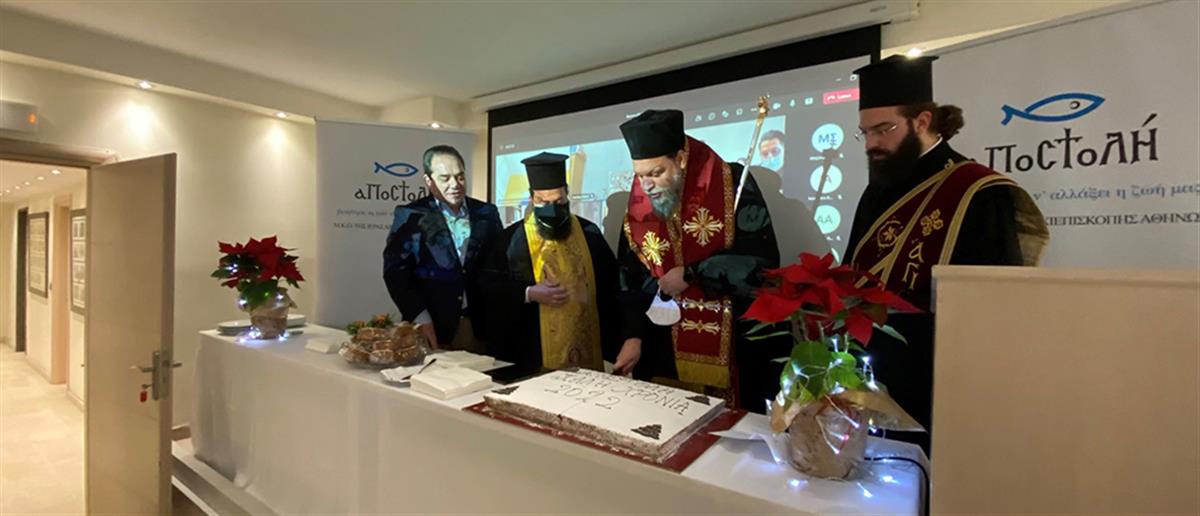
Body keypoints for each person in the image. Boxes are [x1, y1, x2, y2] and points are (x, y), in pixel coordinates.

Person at [845, 55, 1049, 451]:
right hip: (867, 374)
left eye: (883, 130)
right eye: (864, 133)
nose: (871, 144)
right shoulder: (878, 188)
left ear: (922, 121)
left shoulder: (978, 192)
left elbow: (994, 309)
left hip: (937, 381)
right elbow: (853, 269)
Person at [612, 109, 789, 413]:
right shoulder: (640, 203)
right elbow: (629, 276)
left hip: (730, 346)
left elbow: (761, 264)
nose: (647, 184)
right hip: (660, 347)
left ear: (681, 159)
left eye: (656, 172)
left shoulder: (731, 183)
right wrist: (633, 336)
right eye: (640, 175)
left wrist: (691, 274)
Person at [481, 152, 621, 371]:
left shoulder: (589, 233)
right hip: (532, 352)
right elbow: (491, 289)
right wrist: (529, 293)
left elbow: (612, 285)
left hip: (586, 349)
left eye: (559, 201)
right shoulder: (511, 240)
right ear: (532, 198)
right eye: (544, 202)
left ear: (567, 193)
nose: (552, 209)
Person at [383, 145, 502, 353]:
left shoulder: (486, 212)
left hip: (481, 326)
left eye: (460, 177)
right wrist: (420, 318)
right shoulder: (411, 215)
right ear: (429, 181)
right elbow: (396, 273)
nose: (455, 185)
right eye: (445, 178)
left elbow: (498, 265)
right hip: (432, 327)